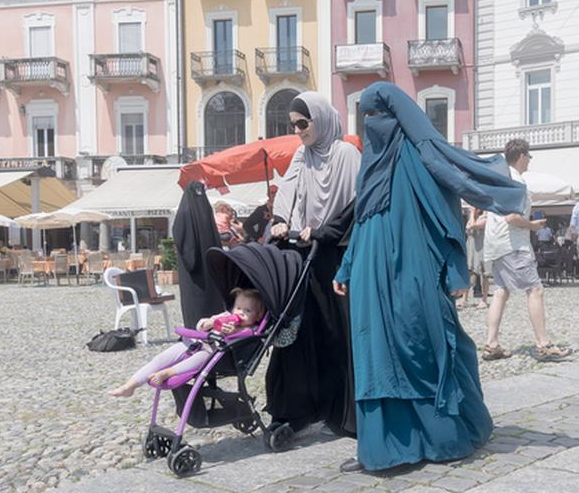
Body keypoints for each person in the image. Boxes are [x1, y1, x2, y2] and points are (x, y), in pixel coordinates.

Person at [333, 82, 522, 473]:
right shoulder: (370, 163)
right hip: (370, 277)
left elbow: (448, 216)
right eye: (366, 117)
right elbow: (362, 221)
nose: (372, 124)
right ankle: (382, 449)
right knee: (375, 355)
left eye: (379, 115)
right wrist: (347, 264)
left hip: (414, 271)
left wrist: (454, 269)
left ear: (397, 116)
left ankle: (442, 439)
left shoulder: (419, 159)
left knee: (419, 347)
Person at [267, 91, 360, 445]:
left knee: (339, 334)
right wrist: (279, 220)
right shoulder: (302, 155)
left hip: (335, 255)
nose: (298, 131)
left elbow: (356, 204)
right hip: (304, 254)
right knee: (301, 333)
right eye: (293, 125)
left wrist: (325, 230)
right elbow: (287, 192)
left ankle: (344, 411)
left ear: (320, 120)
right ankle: (300, 407)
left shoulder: (346, 153)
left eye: (303, 123)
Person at [479, 139, 570, 362]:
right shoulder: (517, 181)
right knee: (535, 290)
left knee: (501, 291)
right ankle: (543, 345)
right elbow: (512, 217)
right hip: (513, 244)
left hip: (497, 244)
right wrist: (533, 225)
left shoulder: (500, 178)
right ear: (521, 156)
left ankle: (492, 345)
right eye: (528, 156)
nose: (529, 161)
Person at [108, 288, 266, 397]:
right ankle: (130, 386)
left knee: (198, 359)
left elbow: (245, 336)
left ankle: (168, 372)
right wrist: (210, 323)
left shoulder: (250, 329)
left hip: (212, 353)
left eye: (248, 311)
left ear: (258, 316)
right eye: (238, 308)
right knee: (160, 358)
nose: (240, 313)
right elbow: (200, 325)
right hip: (195, 342)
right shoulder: (224, 315)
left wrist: (233, 332)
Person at [172, 181, 226, 328]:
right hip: (199, 272)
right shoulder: (191, 213)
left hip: (203, 271)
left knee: (205, 305)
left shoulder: (194, 212)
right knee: (198, 306)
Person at [460, 206, 490, 310]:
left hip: (481, 247)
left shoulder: (485, 218)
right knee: (469, 271)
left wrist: (472, 214)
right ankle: (464, 299)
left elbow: (473, 226)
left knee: (484, 274)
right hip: (471, 247)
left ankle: (484, 299)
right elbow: (468, 228)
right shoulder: (472, 218)